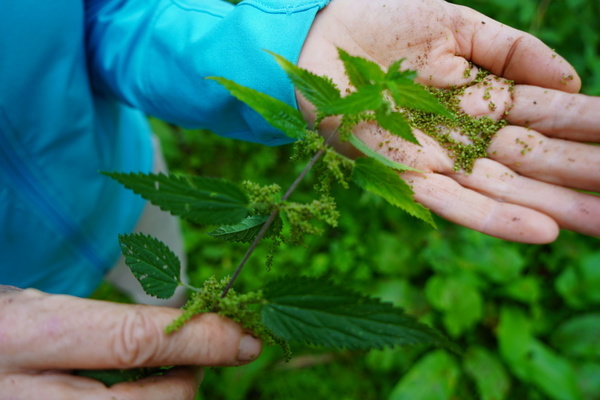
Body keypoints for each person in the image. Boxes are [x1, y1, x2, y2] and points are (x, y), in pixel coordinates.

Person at [1, 0, 598, 398]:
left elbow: (108, 17)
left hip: (110, 175)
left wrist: (297, 42)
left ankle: (178, 298)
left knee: (164, 275)